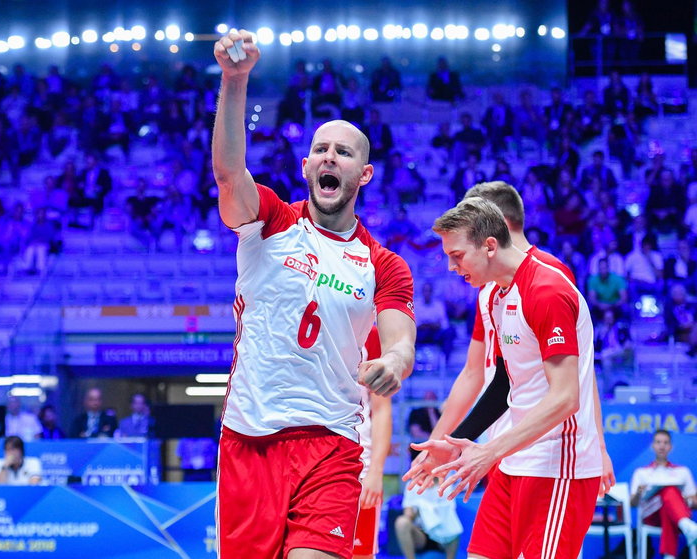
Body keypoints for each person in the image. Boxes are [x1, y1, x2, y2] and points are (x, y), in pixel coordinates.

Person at [212, 29, 416, 559]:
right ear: (306, 167)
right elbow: (230, 174)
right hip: (249, 441)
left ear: (363, 174)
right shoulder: (271, 222)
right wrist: (236, 82)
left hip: (333, 443)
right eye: (320, 149)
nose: (330, 157)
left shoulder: (384, 264)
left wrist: (394, 360)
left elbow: (399, 340)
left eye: (343, 152)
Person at [404, 196, 605, 559]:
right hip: (514, 460)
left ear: (490, 246)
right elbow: (503, 383)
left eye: (457, 256)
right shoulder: (497, 295)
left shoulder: (547, 289)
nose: (451, 267)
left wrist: (490, 451)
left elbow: (566, 397)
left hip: (558, 464)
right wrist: (456, 441)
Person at [353, 327, 392, 559]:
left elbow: (382, 408)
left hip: (359, 464)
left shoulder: (370, 333)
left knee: (360, 554)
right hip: (308, 459)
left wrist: (376, 471)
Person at [630, 430, 697, 558]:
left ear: (671, 447)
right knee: (669, 491)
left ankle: (670, 555)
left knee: (669, 497)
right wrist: (639, 493)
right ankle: (687, 526)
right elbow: (632, 503)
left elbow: (694, 502)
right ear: (652, 446)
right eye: (658, 442)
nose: (662, 446)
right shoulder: (641, 472)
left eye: (665, 443)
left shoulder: (683, 471)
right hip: (651, 516)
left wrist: (684, 499)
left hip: (675, 514)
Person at [394, 479, 462, 559]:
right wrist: (418, 511)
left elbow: (449, 513)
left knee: (454, 527)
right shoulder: (412, 484)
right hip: (421, 535)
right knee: (402, 522)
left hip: (442, 534)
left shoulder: (446, 484)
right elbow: (408, 513)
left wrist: (430, 511)